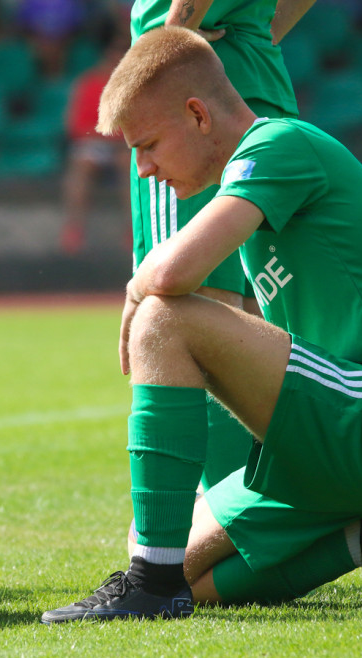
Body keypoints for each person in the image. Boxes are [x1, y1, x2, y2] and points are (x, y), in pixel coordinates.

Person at [41, 27, 362, 623]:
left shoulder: (280, 145)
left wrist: (136, 293)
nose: (143, 169)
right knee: (192, 574)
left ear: (198, 115)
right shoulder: (255, 181)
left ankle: (151, 589)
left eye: (150, 145)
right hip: (342, 428)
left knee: (164, 318)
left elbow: (171, 276)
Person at [121, 0, 312, 562]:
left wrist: (169, 48)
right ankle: (262, 504)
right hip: (254, 86)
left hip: (188, 108)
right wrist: (257, 33)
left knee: (184, 305)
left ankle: (221, 517)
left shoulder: (179, 90)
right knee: (259, 307)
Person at [59, 26, 131, 255]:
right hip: (96, 145)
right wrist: (110, 134)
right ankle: (74, 229)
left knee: (130, 165)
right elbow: (75, 126)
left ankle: (133, 230)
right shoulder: (89, 82)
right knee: (82, 162)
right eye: (116, 50)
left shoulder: (136, 84)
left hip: (127, 146)